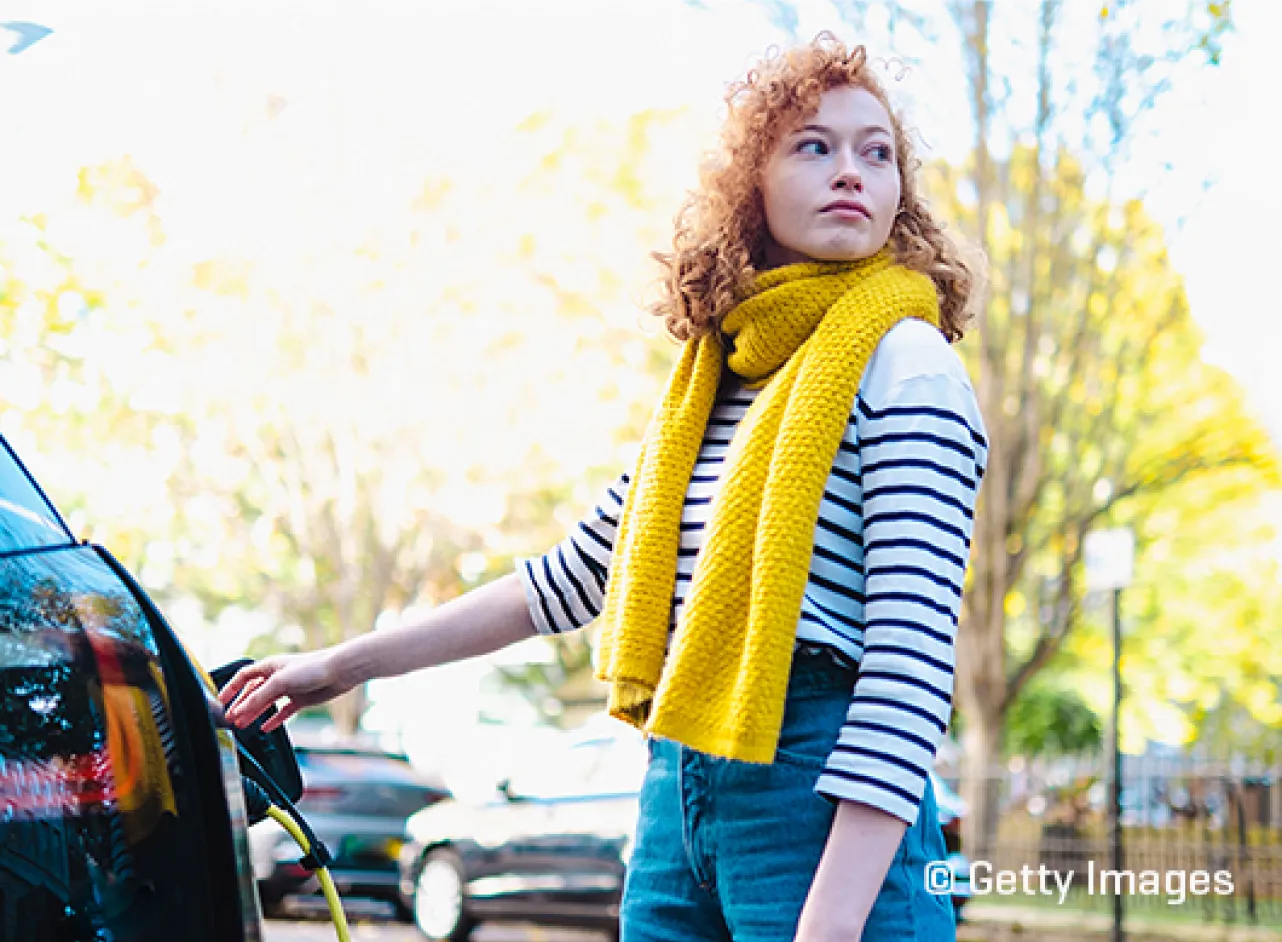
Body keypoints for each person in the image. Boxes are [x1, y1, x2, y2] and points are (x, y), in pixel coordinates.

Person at [220, 31, 988, 942]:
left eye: (878, 152)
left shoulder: (907, 364)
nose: (852, 170)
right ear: (751, 187)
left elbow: (908, 673)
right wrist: (333, 667)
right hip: (678, 793)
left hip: (824, 802)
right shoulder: (714, 385)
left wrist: (827, 923)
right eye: (813, 146)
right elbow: (569, 579)